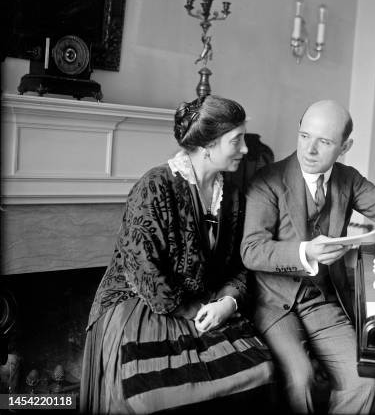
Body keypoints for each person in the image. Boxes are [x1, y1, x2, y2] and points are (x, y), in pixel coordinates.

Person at [240, 99, 375, 414]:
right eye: (305, 136)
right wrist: (306, 251)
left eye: (324, 141)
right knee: (299, 378)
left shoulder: (348, 178)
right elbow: (251, 250)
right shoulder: (267, 180)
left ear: (345, 146)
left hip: (320, 301)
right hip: (272, 302)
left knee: (362, 379)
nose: (310, 149)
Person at [81, 95, 274, 414]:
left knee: (260, 371)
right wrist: (194, 309)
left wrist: (228, 302)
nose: (244, 150)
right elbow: (144, 272)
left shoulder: (234, 198)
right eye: (236, 141)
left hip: (208, 303)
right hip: (142, 302)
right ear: (208, 145)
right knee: (155, 394)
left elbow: (239, 266)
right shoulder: (155, 185)